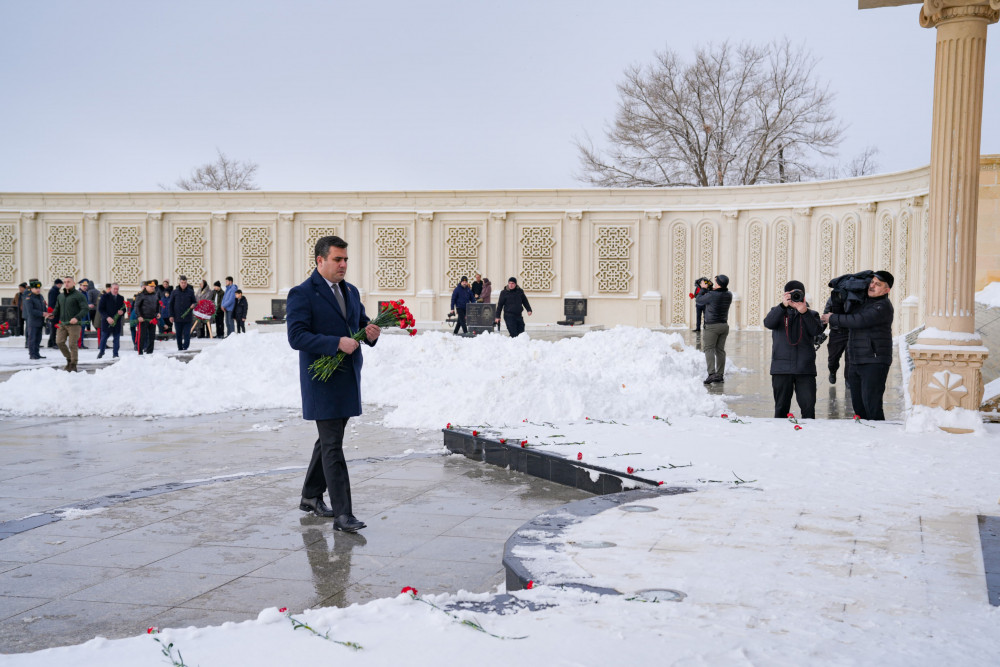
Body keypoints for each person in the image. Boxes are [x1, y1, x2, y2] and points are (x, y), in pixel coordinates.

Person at [287, 235, 380, 533]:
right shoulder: (302, 293)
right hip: (322, 381)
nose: (343, 265)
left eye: (346, 260)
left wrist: (370, 333)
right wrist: (334, 343)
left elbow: (359, 325)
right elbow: (296, 337)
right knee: (332, 447)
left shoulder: (350, 291)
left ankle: (310, 496)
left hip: (347, 379)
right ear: (320, 260)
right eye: (338, 259)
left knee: (329, 440)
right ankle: (343, 515)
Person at [821, 271, 894, 421]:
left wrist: (832, 318)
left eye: (878, 284)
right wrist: (839, 296)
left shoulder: (883, 306)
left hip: (874, 361)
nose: (872, 286)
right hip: (856, 360)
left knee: (872, 405)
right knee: (858, 407)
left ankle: (879, 437)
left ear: (887, 290)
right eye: (872, 282)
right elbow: (845, 313)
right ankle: (863, 437)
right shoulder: (861, 302)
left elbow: (858, 320)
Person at [763, 280, 822, 419]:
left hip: (805, 369)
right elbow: (768, 323)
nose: (794, 297)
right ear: (785, 295)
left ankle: (808, 436)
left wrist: (804, 312)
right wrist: (782, 306)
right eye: (791, 294)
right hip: (781, 368)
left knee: (808, 408)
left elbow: (816, 331)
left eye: (798, 293)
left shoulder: (811, 314)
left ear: (803, 296)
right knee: (781, 408)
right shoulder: (777, 312)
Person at [696, 274, 733, 384]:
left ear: (719, 284)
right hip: (724, 326)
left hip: (712, 326)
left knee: (709, 349)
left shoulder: (711, 295)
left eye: (716, 282)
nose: (714, 283)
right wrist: (710, 288)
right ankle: (720, 375)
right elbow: (719, 293)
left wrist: (703, 288)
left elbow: (699, 300)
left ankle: (712, 374)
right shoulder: (729, 294)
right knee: (720, 350)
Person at [52, 276, 88, 372]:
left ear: (74, 283)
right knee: (59, 342)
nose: (66, 283)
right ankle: (69, 360)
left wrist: (77, 318)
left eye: (68, 281)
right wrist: (52, 314)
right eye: (65, 282)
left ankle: (73, 364)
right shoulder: (60, 296)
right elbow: (57, 308)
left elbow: (85, 309)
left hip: (74, 325)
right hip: (62, 324)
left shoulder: (79, 295)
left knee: (72, 344)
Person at [822, 296, 850, 385]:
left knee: (850, 359)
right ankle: (832, 371)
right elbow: (825, 315)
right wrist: (819, 331)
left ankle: (848, 380)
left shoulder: (855, 297)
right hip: (836, 333)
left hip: (851, 332)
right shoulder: (833, 298)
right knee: (833, 359)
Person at [97, 283, 126, 359]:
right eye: (114, 289)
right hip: (107, 321)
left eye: (117, 289)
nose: (116, 290)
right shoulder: (104, 297)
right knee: (104, 338)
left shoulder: (121, 298)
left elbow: (124, 308)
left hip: (117, 322)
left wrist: (122, 312)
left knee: (116, 338)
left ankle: (115, 354)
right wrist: (107, 317)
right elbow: (101, 309)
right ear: (111, 288)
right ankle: (101, 352)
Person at [22, 280, 48, 360]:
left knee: (38, 339)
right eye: (36, 288)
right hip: (33, 322)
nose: (38, 289)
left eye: (39, 288)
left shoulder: (40, 296)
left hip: (40, 321)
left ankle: (37, 353)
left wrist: (47, 313)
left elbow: (43, 306)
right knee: (32, 339)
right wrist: (42, 313)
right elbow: (30, 311)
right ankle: (32, 354)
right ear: (31, 288)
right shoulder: (28, 297)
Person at [169, 275, 197, 350]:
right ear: (179, 282)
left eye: (185, 283)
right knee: (178, 334)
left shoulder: (190, 292)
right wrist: (171, 316)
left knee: (187, 333)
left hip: (187, 317)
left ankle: (186, 346)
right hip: (177, 317)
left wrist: (193, 305)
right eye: (182, 283)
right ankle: (180, 348)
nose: (183, 284)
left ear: (186, 283)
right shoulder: (174, 292)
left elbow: (194, 301)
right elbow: (171, 304)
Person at [133, 280, 160, 355]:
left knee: (152, 337)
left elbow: (157, 305)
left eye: (154, 286)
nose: (153, 288)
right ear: (146, 286)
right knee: (142, 336)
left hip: (152, 318)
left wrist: (158, 313)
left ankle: (150, 352)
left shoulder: (155, 294)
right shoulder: (141, 295)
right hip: (143, 319)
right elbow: (136, 306)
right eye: (151, 286)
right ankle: (140, 352)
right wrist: (139, 316)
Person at [46, 278, 63, 349]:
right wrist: (53, 312)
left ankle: (50, 343)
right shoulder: (54, 291)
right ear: (58, 284)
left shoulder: (55, 290)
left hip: (55, 311)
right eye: (61, 284)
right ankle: (53, 343)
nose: (61, 286)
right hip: (54, 312)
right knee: (54, 328)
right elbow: (52, 303)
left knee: (54, 328)